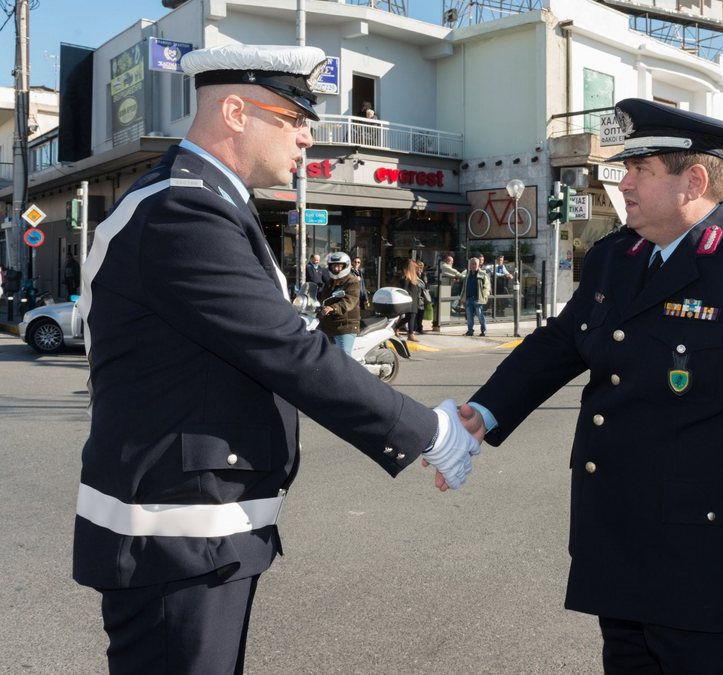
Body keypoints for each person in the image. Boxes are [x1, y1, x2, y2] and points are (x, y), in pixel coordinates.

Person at [71, 43, 480, 674]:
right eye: (294, 119)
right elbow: (286, 350)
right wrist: (429, 432)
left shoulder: (199, 200)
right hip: (175, 537)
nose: (308, 139)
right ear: (235, 111)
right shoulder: (184, 210)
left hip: (197, 531)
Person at [457, 98, 723, 674]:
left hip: (717, 578)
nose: (623, 182)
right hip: (622, 561)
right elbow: (562, 341)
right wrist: (484, 412)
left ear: (693, 180)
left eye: (640, 170)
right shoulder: (615, 257)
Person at [318, 251, 360, 355]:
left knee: (343, 357)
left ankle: (349, 371)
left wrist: (333, 308)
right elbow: (323, 297)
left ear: (345, 266)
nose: (336, 269)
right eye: (333, 266)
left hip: (345, 325)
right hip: (329, 324)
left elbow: (349, 300)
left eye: (339, 266)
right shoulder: (330, 282)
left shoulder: (352, 282)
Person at [458, 256, 490, 336]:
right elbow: (464, 287)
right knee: (469, 317)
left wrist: (484, 296)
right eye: (472, 264)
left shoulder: (482, 274)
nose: (473, 265)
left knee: (480, 316)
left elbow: (487, 286)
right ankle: (470, 331)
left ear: (478, 265)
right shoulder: (467, 274)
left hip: (477, 299)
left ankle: (484, 330)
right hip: (468, 298)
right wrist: (462, 298)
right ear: (470, 265)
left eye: (475, 264)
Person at [393, 257, 421, 342]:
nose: (417, 269)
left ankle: (396, 328)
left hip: (414, 300)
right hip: (410, 301)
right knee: (411, 317)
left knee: (409, 317)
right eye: (415, 268)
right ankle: (410, 334)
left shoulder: (412, 278)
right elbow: (404, 290)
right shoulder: (406, 278)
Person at [414, 260, 430, 334]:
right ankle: (415, 328)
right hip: (415, 296)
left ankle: (419, 328)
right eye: (419, 266)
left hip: (422, 297)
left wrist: (422, 275)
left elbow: (425, 285)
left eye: (422, 267)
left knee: (421, 313)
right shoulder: (413, 275)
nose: (420, 268)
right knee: (415, 313)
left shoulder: (423, 275)